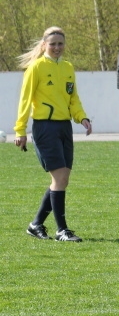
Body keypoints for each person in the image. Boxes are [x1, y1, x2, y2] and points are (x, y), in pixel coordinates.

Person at [15, 26, 91, 242]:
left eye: (60, 43)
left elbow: (72, 98)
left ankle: (36, 224)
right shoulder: (36, 68)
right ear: (44, 45)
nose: (57, 47)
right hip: (45, 128)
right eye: (53, 44)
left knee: (62, 179)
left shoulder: (67, 67)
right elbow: (24, 100)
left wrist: (81, 117)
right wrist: (20, 130)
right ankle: (62, 230)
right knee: (60, 178)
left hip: (64, 127)